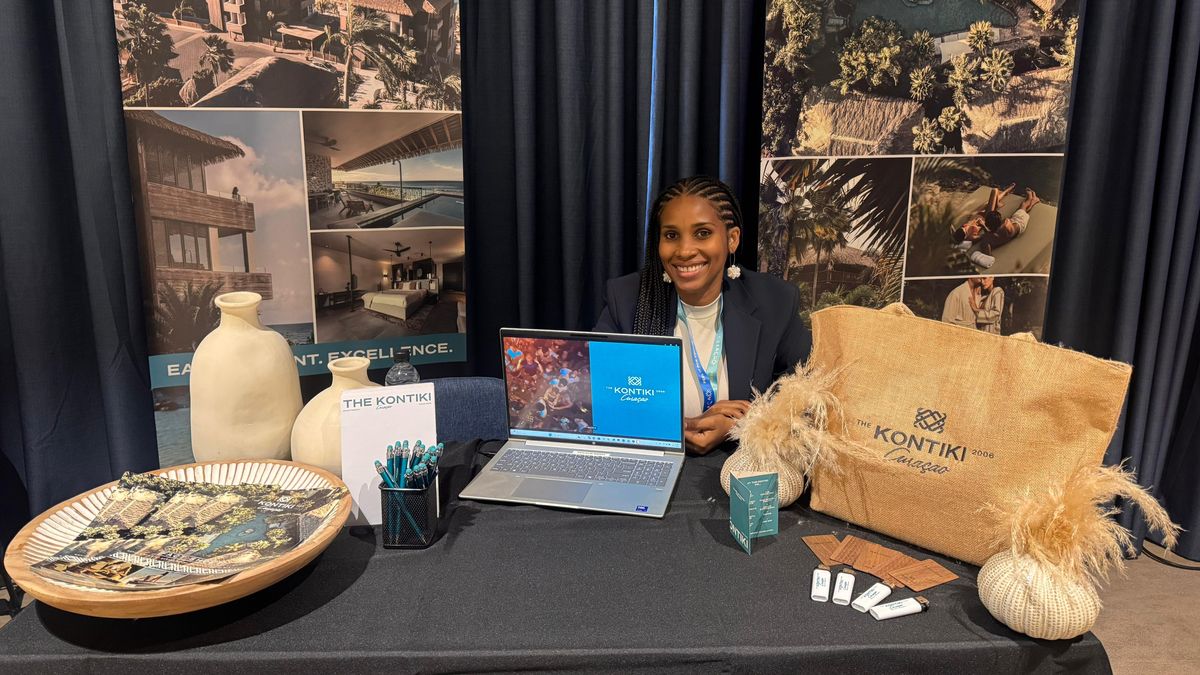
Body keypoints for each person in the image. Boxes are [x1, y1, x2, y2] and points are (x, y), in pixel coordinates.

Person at [594, 175, 810, 454]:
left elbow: (805, 395)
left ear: (732, 239)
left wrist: (742, 425)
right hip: (652, 463)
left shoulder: (775, 301)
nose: (685, 251)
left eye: (703, 233)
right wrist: (678, 428)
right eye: (671, 235)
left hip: (739, 468)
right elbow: (598, 399)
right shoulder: (627, 299)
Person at [953, 185, 1040, 269]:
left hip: (1018, 224)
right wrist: (983, 226)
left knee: (1023, 210)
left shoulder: (993, 233)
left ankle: (1033, 200)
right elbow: (991, 234)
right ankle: (1032, 197)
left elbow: (991, 235)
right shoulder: (1004, 223)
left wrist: (983, 226)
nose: (965, 226)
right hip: (1019, 223)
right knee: (1023, 206)